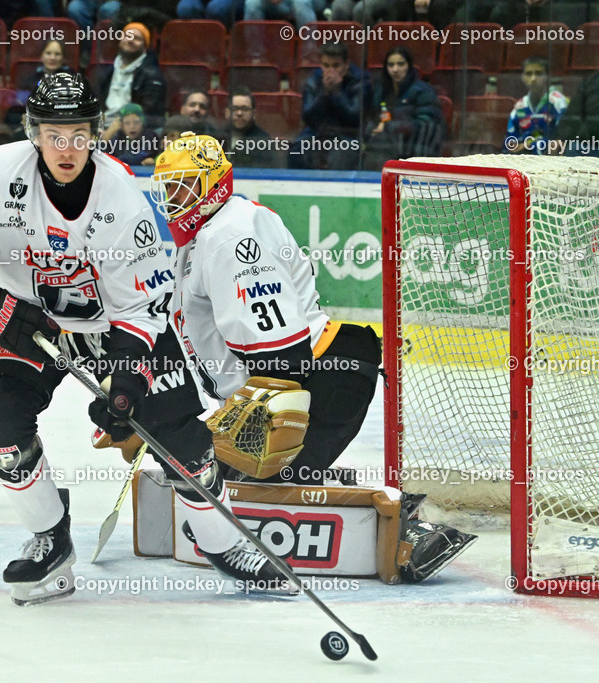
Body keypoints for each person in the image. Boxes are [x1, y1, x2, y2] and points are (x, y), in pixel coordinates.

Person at [0, 72, 294, 606]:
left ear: (95, 133)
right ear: (33, 132)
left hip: (112, 326)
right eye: (54, 133)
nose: (66, 147)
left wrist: (125, 385)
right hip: (29, 321)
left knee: (179, 437)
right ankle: (50, 535)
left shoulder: (120, 198)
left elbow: (141, 310)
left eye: (78, 133)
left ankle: (219, 539)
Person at [149, 132, 477, 582]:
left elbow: (281, 359)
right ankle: (311, 478)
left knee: (225, 484)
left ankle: (406, 529)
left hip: (318, 383)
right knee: (197, 470)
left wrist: (229, 438)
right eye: (168, 188)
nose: (174, 199)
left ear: (214, 184)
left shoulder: (231, 236)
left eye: (183, 186)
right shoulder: (208, 234)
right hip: (303, 380)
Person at [290, 43, 370, 170]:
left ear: (346, 65)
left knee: (340, 159)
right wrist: (324, 93)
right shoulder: (313, 81)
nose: (330, 71)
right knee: (296, 152)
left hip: (347, 134)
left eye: (336, 66)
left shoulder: (359, 81)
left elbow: (355, 117)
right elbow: (307, 117)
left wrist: (337, 93)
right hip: (317, 131)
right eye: (326, 66)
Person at [364, 46, 444, 169]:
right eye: (391, 65)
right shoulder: (381, 91)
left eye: (400, 64)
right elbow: (372, 117)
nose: (395, 69)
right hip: (386, 145)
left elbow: (426, 125)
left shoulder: (423, 91)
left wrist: (389, 127)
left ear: (409, 66)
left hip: (414, 148)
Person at [94, 22, 166, 132]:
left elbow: (150, 113)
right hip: (103, 125)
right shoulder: (106, 73)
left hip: (133, 129)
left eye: (137, 38)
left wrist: (118, 126)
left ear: (144, 47)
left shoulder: (152, 75)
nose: (130, 40)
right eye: (127, 36)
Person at [506, 57, 568, 155]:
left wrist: (530, 145)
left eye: (538, 73)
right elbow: (511, 142)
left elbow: (564, 139)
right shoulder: (520, 106)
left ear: (548, 76)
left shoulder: (558, 102)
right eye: (529, 74)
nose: (533, 79)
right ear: (522, 77)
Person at [219, 87, 276, 168]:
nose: (239, 113)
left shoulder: (263, 142)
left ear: (254, 114)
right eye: (235, 108)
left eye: (245, 109)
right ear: (227, 113)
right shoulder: (217, 137)